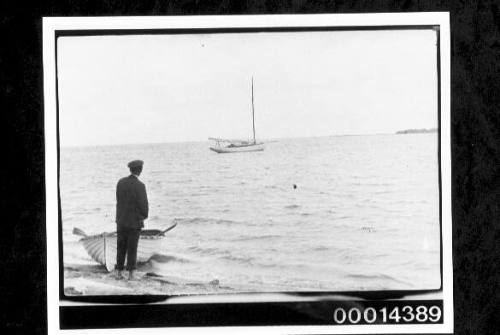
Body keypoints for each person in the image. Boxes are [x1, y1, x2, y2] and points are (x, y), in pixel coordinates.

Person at [114, 159, 148, 280]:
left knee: (121, 246)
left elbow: (118, 200)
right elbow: (144, 207)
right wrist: (143, 217)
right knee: (132, 248)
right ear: (140, 170)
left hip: (121, 221)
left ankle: (118, 272)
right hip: (134, 223)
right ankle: (131, 274)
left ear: (130, 169)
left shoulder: (120, 182)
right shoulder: (140, 186)